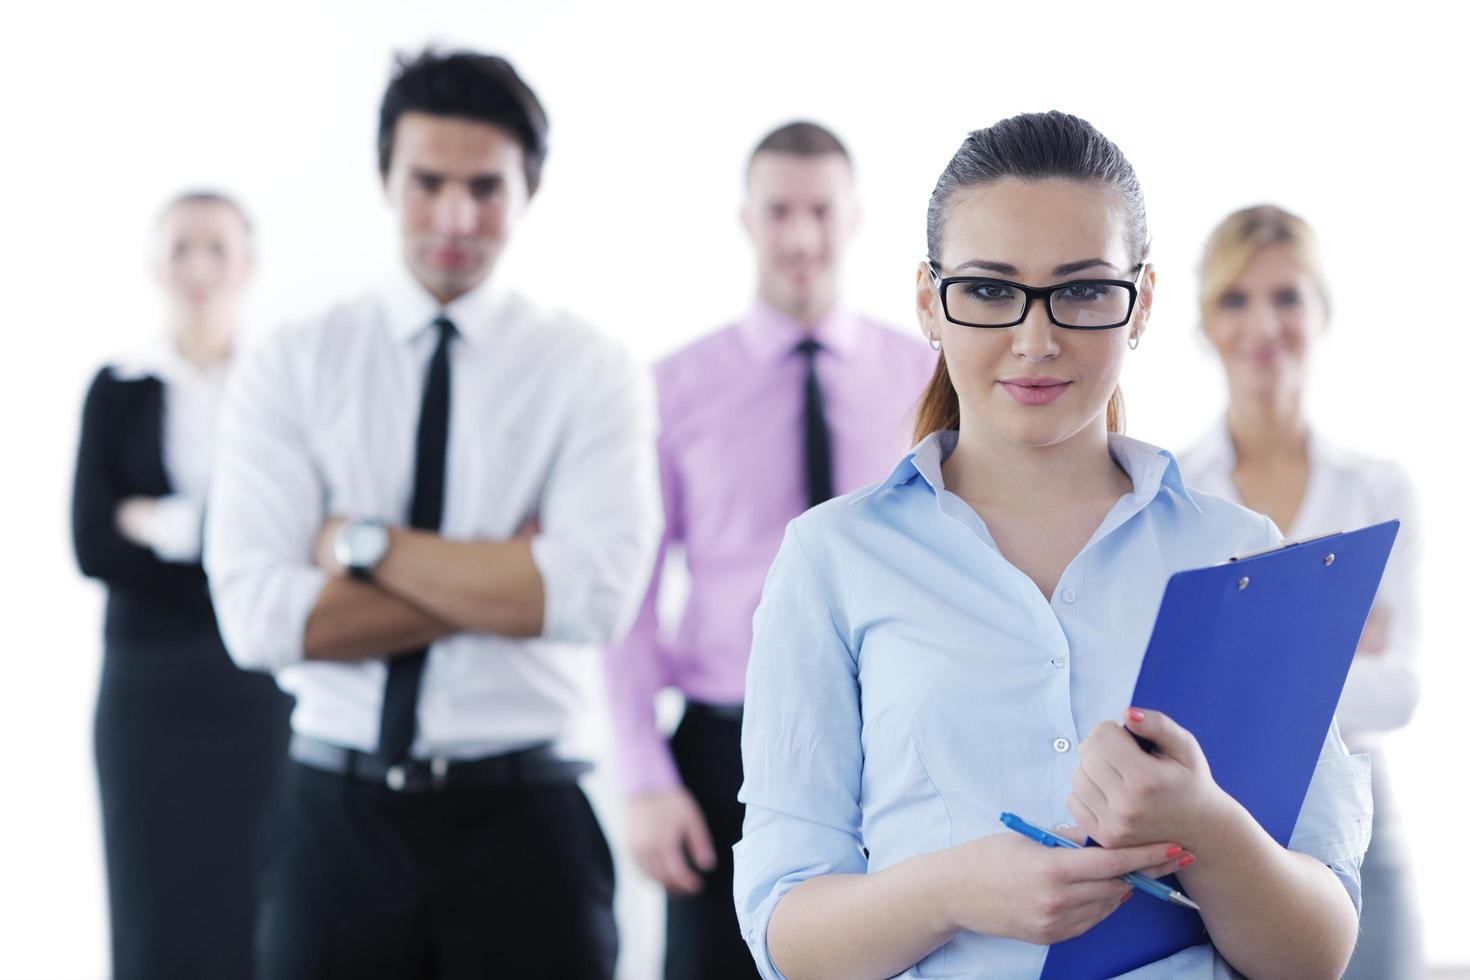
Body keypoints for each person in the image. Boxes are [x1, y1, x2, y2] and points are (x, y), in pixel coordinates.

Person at [732, 112, 1373, 980]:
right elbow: (783, 927)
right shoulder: (831, 560)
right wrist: (949, 891)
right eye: (991, 291)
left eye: (1081, 291)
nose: (1036, 340)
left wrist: (1208, 827)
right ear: (929, 301)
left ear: (1140, 302)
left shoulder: (1241, 557)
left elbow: (1318, 952)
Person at [204, 50, 660, 978]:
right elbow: (258, 620)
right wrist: (510, 570)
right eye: (428, 183)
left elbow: (597, 595)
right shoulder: (294, 361)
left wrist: (359, 550)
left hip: (526, 822)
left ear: (528, 189)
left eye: (486, 188)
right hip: (337, 822)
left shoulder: (589, 369)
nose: (456, 217)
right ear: (385, 179)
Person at [603, 121, 935, 979]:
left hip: (890, 745)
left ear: (854, 218)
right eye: (779, 210)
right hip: (724, 752)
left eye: (820, 210)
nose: (800, 235)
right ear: (746, 220)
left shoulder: (923, 378)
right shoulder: (674, 389)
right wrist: (643, 777)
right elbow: (628, 599)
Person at [1177, 204, 1423, 979]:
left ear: (1321, 313)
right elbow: (1171, 695)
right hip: (1213, 816)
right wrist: (1329, 647)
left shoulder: (1377, 491)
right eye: (1235, 299)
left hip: (1355, 813)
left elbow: (1400, 692)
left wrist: (1252, 665)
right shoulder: (1177, 494)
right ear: (1206, 324)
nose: (1264, 324)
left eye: (1287, 297)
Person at [70, 190, 293, 980]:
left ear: (249, 266)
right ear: (154, 265)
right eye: (181, 248)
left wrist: (161, 525)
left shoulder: (277, 387)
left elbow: (294, 538)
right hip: (146, 686)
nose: (199, 267)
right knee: (151, 899)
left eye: (218, 248)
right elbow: (93, 541)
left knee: (258, 892)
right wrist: (220, 534)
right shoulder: (118, 386)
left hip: (254, 681)